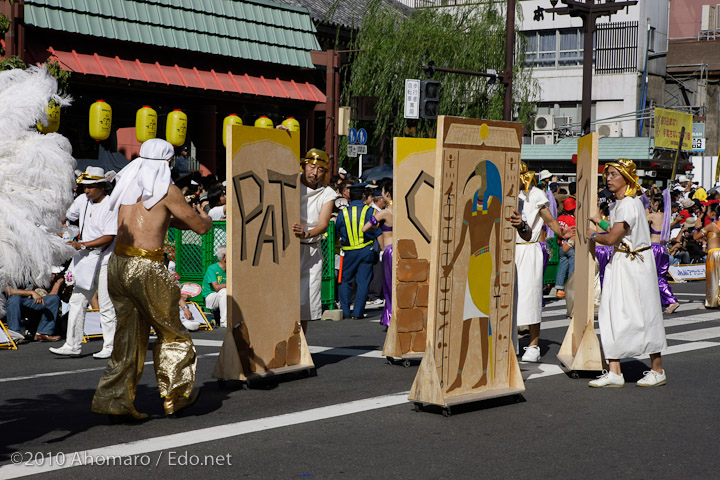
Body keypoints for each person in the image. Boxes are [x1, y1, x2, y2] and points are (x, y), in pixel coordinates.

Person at [91, 138, 212, 420]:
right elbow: (199, 227)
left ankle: (115, 400)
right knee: (172, 332)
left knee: (127, 337)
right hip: (146, 265)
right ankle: (175, 396)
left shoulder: (126, 186)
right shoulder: (166, 189)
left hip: (118, 263)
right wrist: (204, 217)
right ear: (167, 163)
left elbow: (160, 218)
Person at [587, 159, 666, 387]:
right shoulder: (620, 204)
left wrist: (590, 234)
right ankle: (615, 371)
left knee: (645, 313)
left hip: (633, 263)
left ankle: (657, 370)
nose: (608, 179)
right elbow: (618, 232)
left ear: (627, 179)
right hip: (622, 260)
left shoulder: (629, 203)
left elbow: (612, 238)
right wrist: (600, 222)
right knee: (612, 312)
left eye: (613, 174)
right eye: (607, 175)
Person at [441, 161, 503, 390]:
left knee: (483, 320)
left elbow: (497, 240)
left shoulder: (493, 204)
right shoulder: (469, 205)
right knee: (467, 322)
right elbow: (460, 241)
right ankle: (458, 375)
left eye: (480, 176)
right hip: (472, 263)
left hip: (485, 262)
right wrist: (450, 264)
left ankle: (485, 374)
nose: (478, 181)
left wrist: (497, 273)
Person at [50, 167, 118, 359]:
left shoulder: (111, 204)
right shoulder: (82, 200)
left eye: (90, 186)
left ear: (101, 186)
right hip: (85, 258)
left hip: (106, 260)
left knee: (105, 304)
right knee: (77, 301)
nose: (86, 190)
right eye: (84, 187)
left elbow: (109, 236)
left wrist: (82, 244)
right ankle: (72, 344)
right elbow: (68, 218)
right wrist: (61, 230)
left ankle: (110, 346)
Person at [515, 162, 572, 363]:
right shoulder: (503, 193)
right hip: (508, 250)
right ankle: (511, 340)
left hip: (529, 248)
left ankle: (534, 345)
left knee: (530, 296)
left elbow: (550, 220)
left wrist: (563, 234)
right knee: (509, 297)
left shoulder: (536, 194)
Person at [291, 149, 336, 333]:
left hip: (310, 249)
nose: (315, 173)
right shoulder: (291, 182)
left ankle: (300, 347)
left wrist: (307, 233)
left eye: (320, 169)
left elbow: (324, 224)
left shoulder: (328, 193)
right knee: (283, 298)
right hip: (287, 248)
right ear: (304, 166)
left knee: (305, 303)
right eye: (312, 167)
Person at [336, 183, 381, 319]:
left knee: (345, 281)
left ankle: (345, 311)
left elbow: (338, 229)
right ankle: (358, 312)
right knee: (363, 281)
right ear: (363, 195)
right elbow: (376, 229)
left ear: (349, 195)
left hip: (349, 252)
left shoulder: (343, 212)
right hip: (366, 249)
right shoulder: (370, 211)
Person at [363, 180, 393, 328]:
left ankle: (390, 316)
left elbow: (365, 227)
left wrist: (376, 225)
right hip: (402, 248)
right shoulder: (404, 210)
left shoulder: (384, 213)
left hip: (389, 250)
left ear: (387, 194)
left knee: (388, 285)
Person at [647, 194, 680, 314]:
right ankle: (660, 300)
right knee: (660, 276)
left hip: (655, 248)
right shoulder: (667, 217)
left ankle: (671, 300)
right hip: (664, 249)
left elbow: (640, 222)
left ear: (656, 204)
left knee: (656, 277)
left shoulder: (654, 216)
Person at [4, 277, 63, 343]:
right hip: (10, 306)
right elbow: (9, 291)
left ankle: (43, 333)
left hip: (28, 301)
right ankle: (15, 335)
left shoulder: (30, 272)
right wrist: (31, 292)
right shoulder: (4, 271)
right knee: (15, 298)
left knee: (53, 299)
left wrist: (57, 282)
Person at [693, 212, 720, 308]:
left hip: (713, 254)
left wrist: (697, 227)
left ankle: (711, 302)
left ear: (713, 213)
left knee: (712, 278)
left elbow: (695, 237)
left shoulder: (711, 226)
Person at [555, 197, 577, 298]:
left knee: (562, 267)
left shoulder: (559, 219)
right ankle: (570, 287)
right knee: (572, 267)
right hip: (570, 246)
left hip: (560, 245)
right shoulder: (573, 219)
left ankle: (559, 289)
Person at [203, 245, 227, 327]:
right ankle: (224, 321)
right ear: (224, 256)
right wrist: (230, 284)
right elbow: (216, 288)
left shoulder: (231, 268)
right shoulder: (212, 268)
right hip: (210, 297)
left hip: (224, 297)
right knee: (224, 291)